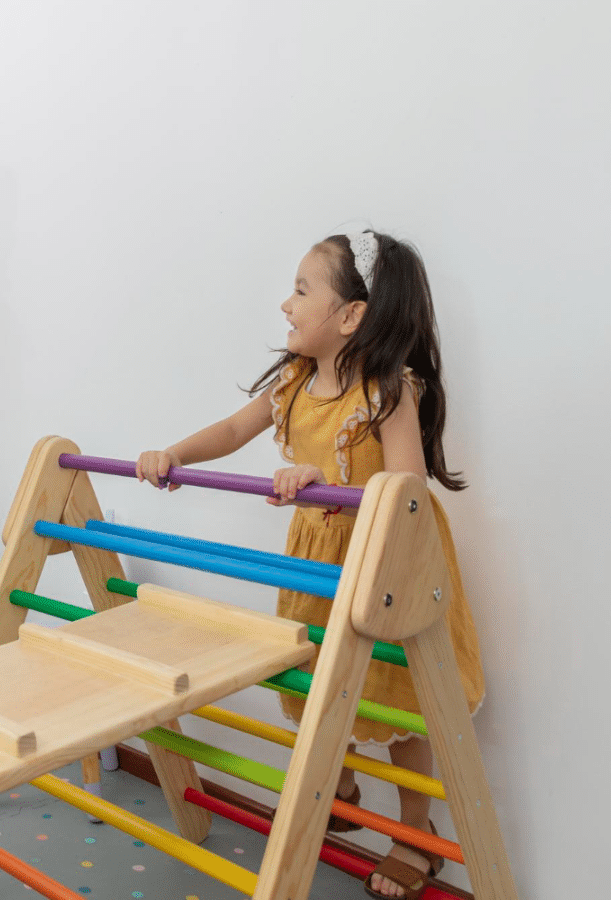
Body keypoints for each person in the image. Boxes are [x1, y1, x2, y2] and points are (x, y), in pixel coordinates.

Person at [137, 231, 485, 900]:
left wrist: (321, 478)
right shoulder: (295, 382)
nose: (285, 304)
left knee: (399, 699)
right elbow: (235, 430)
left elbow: (406, 488)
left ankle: (414, 834)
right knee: (314, 674)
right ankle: (341, 777)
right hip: (320, 562)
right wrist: (173, 455)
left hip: (390, 562)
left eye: (301, 290)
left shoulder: (388, 390)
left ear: (351, 315)